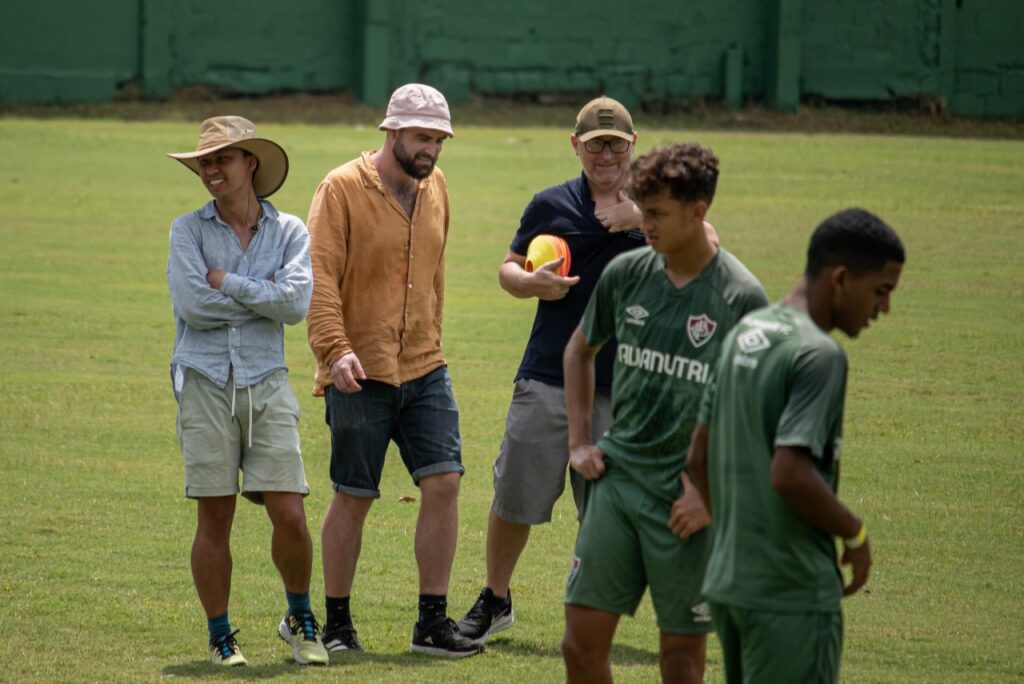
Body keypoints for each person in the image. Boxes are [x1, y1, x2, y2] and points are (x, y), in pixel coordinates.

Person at [457, 96, 721, 644]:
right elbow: (509, 267)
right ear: (575, 145)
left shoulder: (657, 208)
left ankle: (594, 612)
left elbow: (711, 247)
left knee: (608, 511)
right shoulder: (549, 203)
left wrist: (635, 218)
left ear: (633, 145)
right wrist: (531, 283)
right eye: (595, 143)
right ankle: (496, 597)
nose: (606, 154)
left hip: (630, 387)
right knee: (515, 496)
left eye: (616, 144)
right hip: (549, 374)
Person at [560, 143, 768, 683]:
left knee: (680, 662)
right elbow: (579, 350)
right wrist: (579, 442)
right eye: (641, 210)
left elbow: (762, 415)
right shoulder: (628, 274)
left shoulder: (741, 298)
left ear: (698, 211)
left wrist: (713, 495)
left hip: (687, 499)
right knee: (579, 647)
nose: (643, 225)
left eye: (656, 214)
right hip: (618, 480)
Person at [685, 208, 905, 683]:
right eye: (882, 291)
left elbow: (697, 456)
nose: (884, 308)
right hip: (790, 594)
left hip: (729, 583)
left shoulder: (745, 332)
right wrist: (856, 534)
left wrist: (737, 536)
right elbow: (790, 474)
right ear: (841, 278)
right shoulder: (819, 354)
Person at [305, 83, 481, 658]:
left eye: (438, 139)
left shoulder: (438, 189)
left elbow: (434, 277)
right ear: (392, 132)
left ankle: (432, 622)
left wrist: (432, 338)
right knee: (354, 494)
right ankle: (336, 624)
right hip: (359, 367)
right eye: (422, 137)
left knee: (445, 480)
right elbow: (319, 277)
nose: (431, 149)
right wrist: (334, 350)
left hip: (425, 364)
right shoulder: (340, 189)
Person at [166, 116, 327, 667]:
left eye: (222, 160)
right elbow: (193, 306)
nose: (211, 170)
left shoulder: (291, 233)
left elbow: (296, 306)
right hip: (204, 381)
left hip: (268, 381)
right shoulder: (186, 230)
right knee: (215, 517)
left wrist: (226, 281)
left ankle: (300, 618)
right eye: (205, 162)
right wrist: (261, 296)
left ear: (249, 164)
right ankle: (220, 635)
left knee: (290, 512)